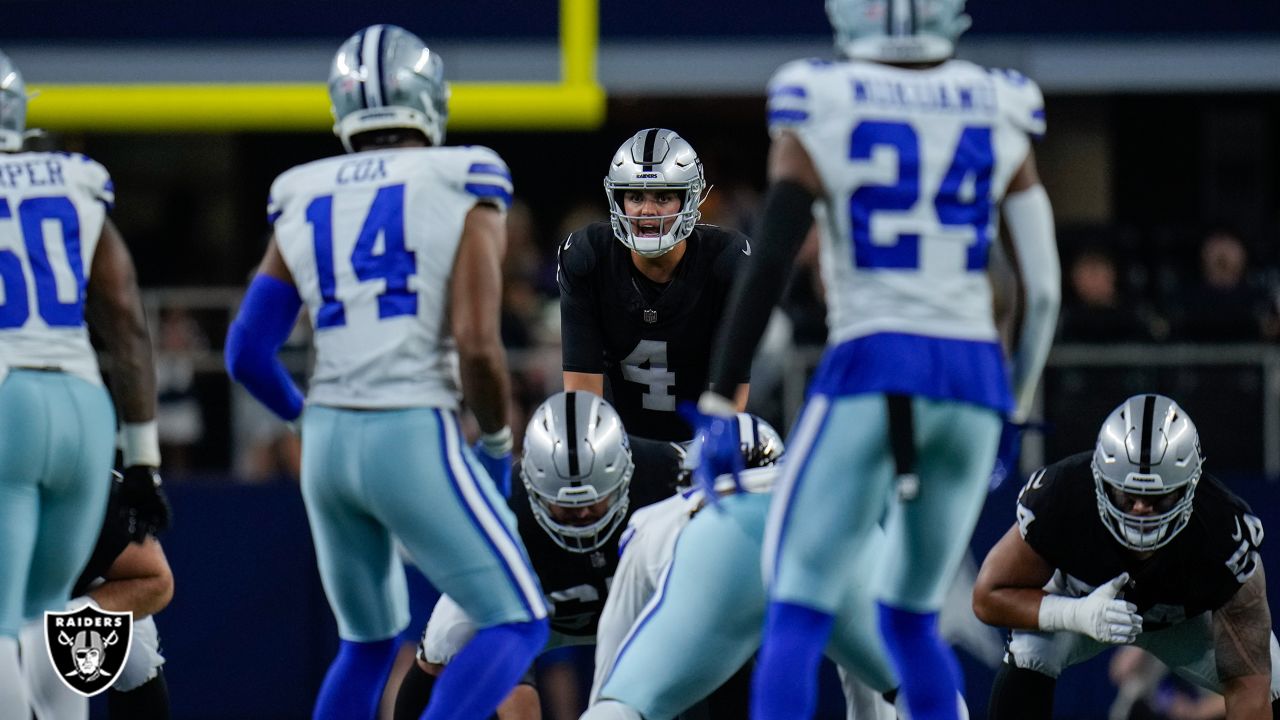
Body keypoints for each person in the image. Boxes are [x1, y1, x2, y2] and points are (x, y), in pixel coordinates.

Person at [688, 1, 1062, 718]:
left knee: (796, 606)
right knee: (912, 619)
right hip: (973, 379)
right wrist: (1010, 408)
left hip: (870, 358)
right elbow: (1039, 292)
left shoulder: (820, 94)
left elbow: (768, 260)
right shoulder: (999, 100)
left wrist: (717, 400)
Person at [224, 25, 548, 720]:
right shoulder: (464, 174)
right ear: (429, 98)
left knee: (367, 646)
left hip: (329, 441)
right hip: (410, 428)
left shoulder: (301, 190)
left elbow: (245, 353)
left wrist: (306, 416)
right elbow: (477, 343)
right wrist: (495, 442)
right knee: (519, 618)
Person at [0, 49, 170, 717]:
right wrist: (146, 460)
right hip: (83, 405)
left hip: (9, 405)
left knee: (13, 627)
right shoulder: (74, 180)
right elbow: (126, 321)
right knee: (52, 620)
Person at [973, 394, 1279, 719]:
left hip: (1184, 622)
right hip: (1084, 603)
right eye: (1127, 495)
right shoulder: (1063, 494)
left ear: (1191, 485)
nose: (1141, 511)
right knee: (1030, 648)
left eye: (1158, 497)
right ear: (1099, 479)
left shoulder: (1224, 532)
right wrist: (1075, 614)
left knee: (1271, 683)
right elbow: (988, 596)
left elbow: (1250, 690)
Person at [585, 416, 910, 720]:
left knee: (624, 704)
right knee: (922, 690)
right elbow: (870, 681)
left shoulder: (655, 521)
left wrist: (612, 700)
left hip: (718, 554)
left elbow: (615, 648)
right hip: (822, 533)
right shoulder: (833, 503)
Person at [392, 391, 681, 720]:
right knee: (442, 644)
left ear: (623, 476)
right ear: (533, 488)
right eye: (566, 508)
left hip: (639, 611)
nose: (583, 515)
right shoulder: (503, 508)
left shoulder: (667, 474)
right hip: (534, 613)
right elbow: (507, 657)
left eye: (593, 501)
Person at [558, 128, 751, 442]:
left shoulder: (726, 262)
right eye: (635, 196)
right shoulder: (589, 257)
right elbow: (583, 405)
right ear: (618, 199)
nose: (647, 211)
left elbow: (728, 410)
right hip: (615, 445)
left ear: (689, 198)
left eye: (663, 196)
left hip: (702, 443)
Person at [21, 471, 175, 720]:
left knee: (135, 644)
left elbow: (158, 581)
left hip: (60, 593)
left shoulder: (88, 495)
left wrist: (66, 620)